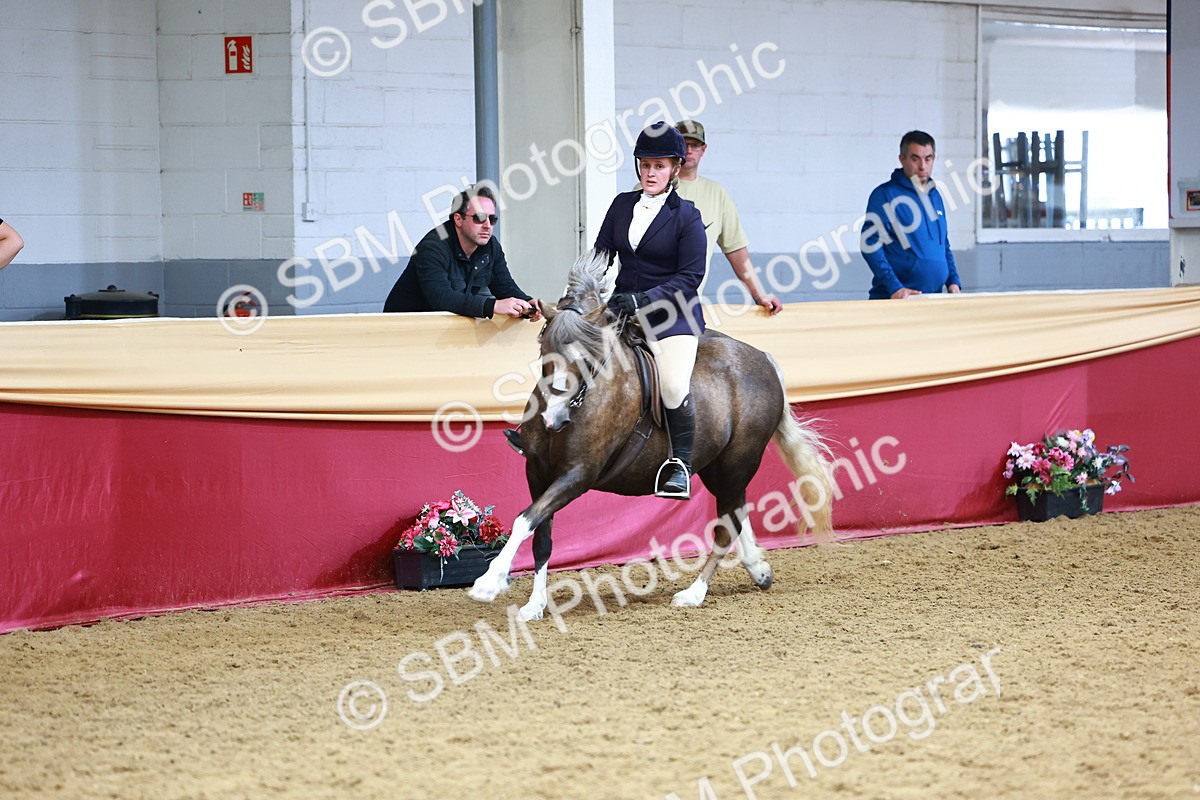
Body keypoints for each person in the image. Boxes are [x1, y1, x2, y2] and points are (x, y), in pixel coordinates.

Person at [597, 121, 707, 500]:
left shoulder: (687, 216)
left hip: (672, 315)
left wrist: (644, 299)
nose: (650, 173)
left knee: (674, 385)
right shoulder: (621, 205)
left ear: (675, 168)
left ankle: (680, 465)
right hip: (622, 306)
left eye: (659, 166)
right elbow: (600, 256)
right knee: (573, 353)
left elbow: (690, 277)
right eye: (645, 165)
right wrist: (577, 294)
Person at [672, 120, 782, 315]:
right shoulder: (649, 189)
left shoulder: (716, 193)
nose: (688, 150)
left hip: (685, 309)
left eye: (694, 145)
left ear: (703, 149)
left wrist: (759, 295)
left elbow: (736, 250)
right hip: (643, 301)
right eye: (683, 144)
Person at [383, 185, 540, 319]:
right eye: (479, 217)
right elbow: (443, 298)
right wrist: (492, 306)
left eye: (492, 219)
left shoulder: (490, 245)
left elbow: (504, 285)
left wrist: (527, 303)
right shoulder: (432, 248)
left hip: (445, 328)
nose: (487, 225)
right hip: (405, 327)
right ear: (458, 219)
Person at [862, 130, 962, 299]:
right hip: (898, 300)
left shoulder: (935, 196)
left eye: (928, 159)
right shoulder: (886, 195)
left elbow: (943, 244)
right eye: (915, 159)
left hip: (933, 299)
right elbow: (870, 244)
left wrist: (953, 281)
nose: (922, 166)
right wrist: (895, 287)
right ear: (902, 159)